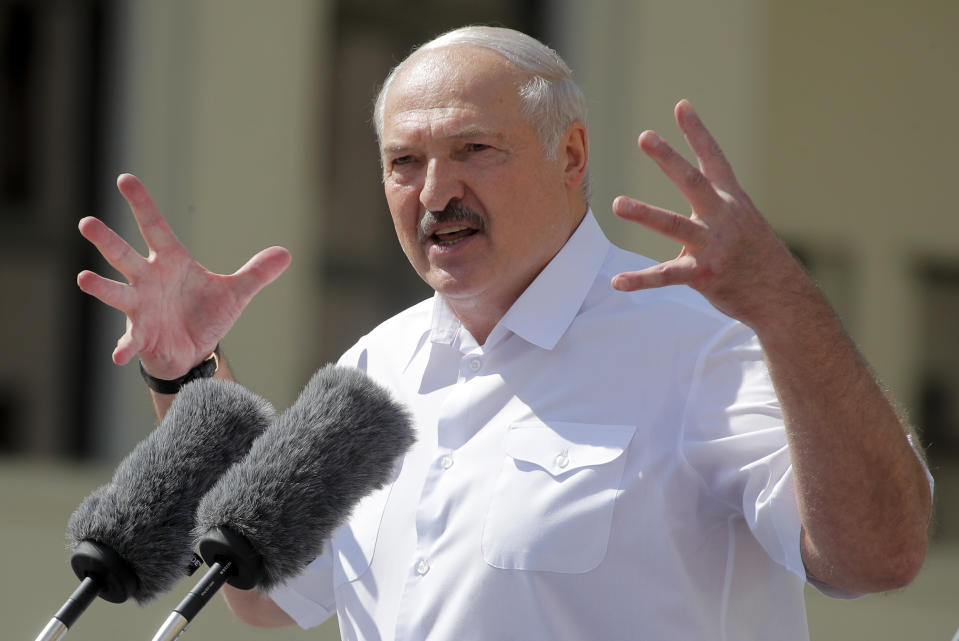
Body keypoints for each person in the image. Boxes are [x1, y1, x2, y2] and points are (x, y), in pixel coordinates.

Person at [77, 25, 931, 641]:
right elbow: (264, 589)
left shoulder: (703, 341)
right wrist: (190, 376)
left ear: (570, 156)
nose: (435, 191)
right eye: (404, 162)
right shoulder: (375, 367)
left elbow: (879, 553)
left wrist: (788, 307)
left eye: (474, 149)